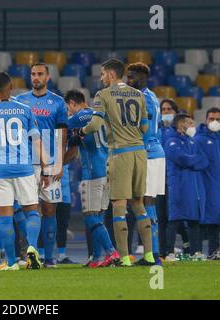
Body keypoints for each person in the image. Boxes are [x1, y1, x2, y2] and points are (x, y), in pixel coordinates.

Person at [75, 58, 154, 267]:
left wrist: (80, 132)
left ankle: (125, 259)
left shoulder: (103, 95)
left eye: (102, 74)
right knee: (139, 204)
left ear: (111, 74)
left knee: (119, 205)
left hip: (121, 153)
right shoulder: (138, 94)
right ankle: (149, 256)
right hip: (140, 153)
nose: (101, 78)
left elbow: (95, 124)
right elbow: (145, 127)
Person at [0, 72, 49, 270]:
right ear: (11, 87)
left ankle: (11, 262)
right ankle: (32, 247)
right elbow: (37, 141)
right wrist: (46, 169)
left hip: (1, 170)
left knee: (5, 216)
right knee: (32, 212)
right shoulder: (25, 110)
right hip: (24, 168)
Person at [16, 63, 68, 268]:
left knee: (48, 211)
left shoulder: (57, 102)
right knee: (28, 210)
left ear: (48, 77)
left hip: (50, 164)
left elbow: (62, 135)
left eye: (39, 74)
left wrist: (60, 163)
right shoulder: (20, 101)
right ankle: (30, 252)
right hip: (27, 163)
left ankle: (49, 258)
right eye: (32, 74)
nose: (35, 77)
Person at [64, 89, 119, 268]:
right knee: (98, 217)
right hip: (108, 169)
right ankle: (96, 258)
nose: (68, 111)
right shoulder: (101, 116)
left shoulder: (76, 118)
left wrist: (57, 164)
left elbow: (70, 146)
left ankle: (111, 252)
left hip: (92, 172)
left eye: (68, 108)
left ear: (73, 104)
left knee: (90, 218)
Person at [126, 63, 165, 265]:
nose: (128, 81)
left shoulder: (144, 98)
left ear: (142, 77)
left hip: (149, 154)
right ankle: (153, 253)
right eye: (127, 77)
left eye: (132, 77)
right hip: (153, 152)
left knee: (144, 201)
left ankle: (153, 255)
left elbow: (143, 129)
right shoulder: (149, 96)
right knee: (146, 202)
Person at [164, 114, 208, 262]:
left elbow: (204, 161)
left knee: (193, 219)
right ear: (180, 125)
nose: (192, 126)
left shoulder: (192, 142)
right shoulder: (171, 141)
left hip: (193, 185)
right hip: (178, 185)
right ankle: (169, 252)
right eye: (189, 123)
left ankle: (195, 252)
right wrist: (194, 161)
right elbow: (181, 159)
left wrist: (192, 162)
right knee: (175, 218)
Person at [158, 98, 190, 257]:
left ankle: (185, 243)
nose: (165, 112)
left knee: (174, 217)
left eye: (169, 109)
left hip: (174, 179)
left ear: (176, 113)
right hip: (159, 179)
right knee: (161, 218)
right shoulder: (156, 131)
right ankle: (163, 252)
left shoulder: (178, 132)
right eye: (163, 109)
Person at [194, 107, 220, 258]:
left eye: (218, 119)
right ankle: (211, 253)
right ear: (205, 120)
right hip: (208, 186)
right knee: (212, 222)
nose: (215, 122)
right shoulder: (199, 139)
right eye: (212, 119)